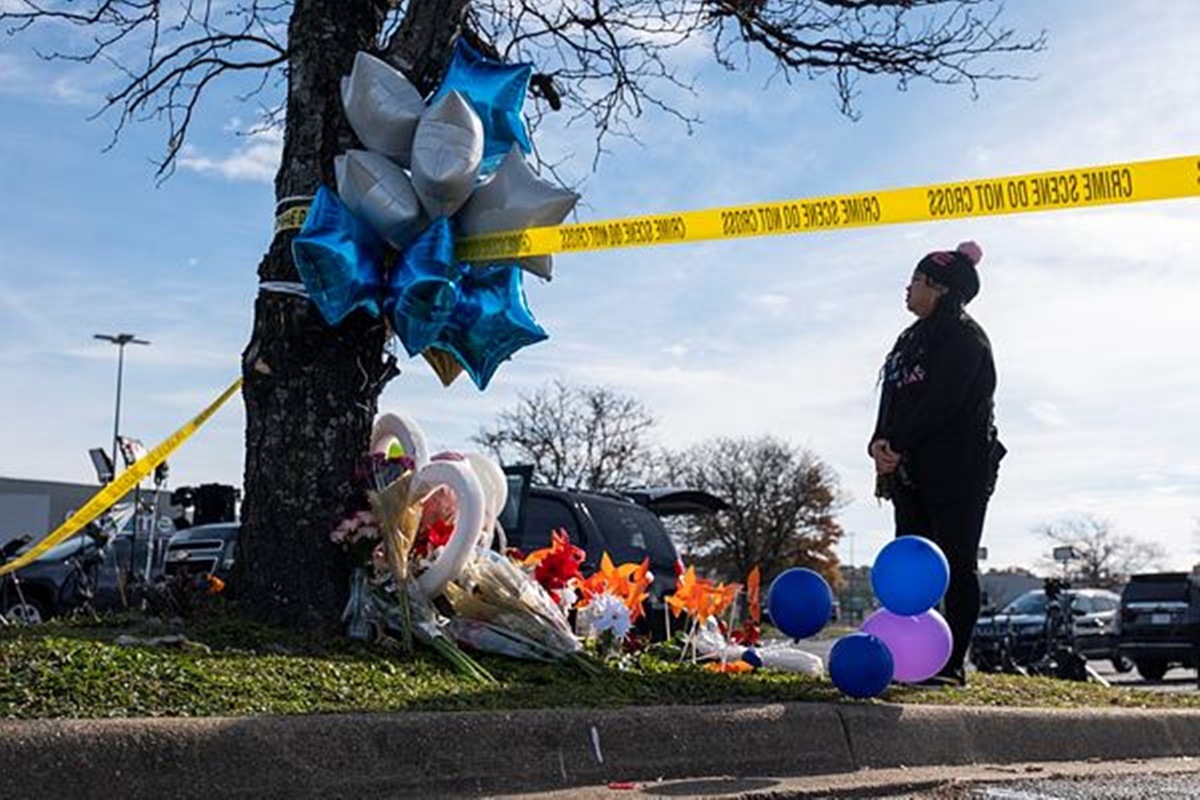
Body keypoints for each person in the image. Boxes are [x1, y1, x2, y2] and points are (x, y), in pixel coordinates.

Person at [869, 241, 1005, 686]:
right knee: (912, 562)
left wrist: (899, 442)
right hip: (910, 472)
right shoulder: (908, 341)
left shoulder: (967, 338)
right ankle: (911, 658)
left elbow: (942, 402)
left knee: (956, 562)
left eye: (916, 281)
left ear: (940, 288)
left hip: (959, 471)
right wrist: (879, 444)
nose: (907, 288)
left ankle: (951, 665)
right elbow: (891, 395)